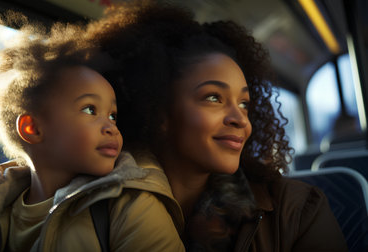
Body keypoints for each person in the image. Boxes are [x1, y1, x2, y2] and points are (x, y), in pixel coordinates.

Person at [83, 1, 348, 251]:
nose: (240, 119)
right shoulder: (90, 206)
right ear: (157, 112)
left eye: (244, 103)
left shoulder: (298, 211)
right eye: (214, 98)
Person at [0, 13, 184, 251]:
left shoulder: (131, 205)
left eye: (113, 115)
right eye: (90, 109)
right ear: (32, 128)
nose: (111, 127)